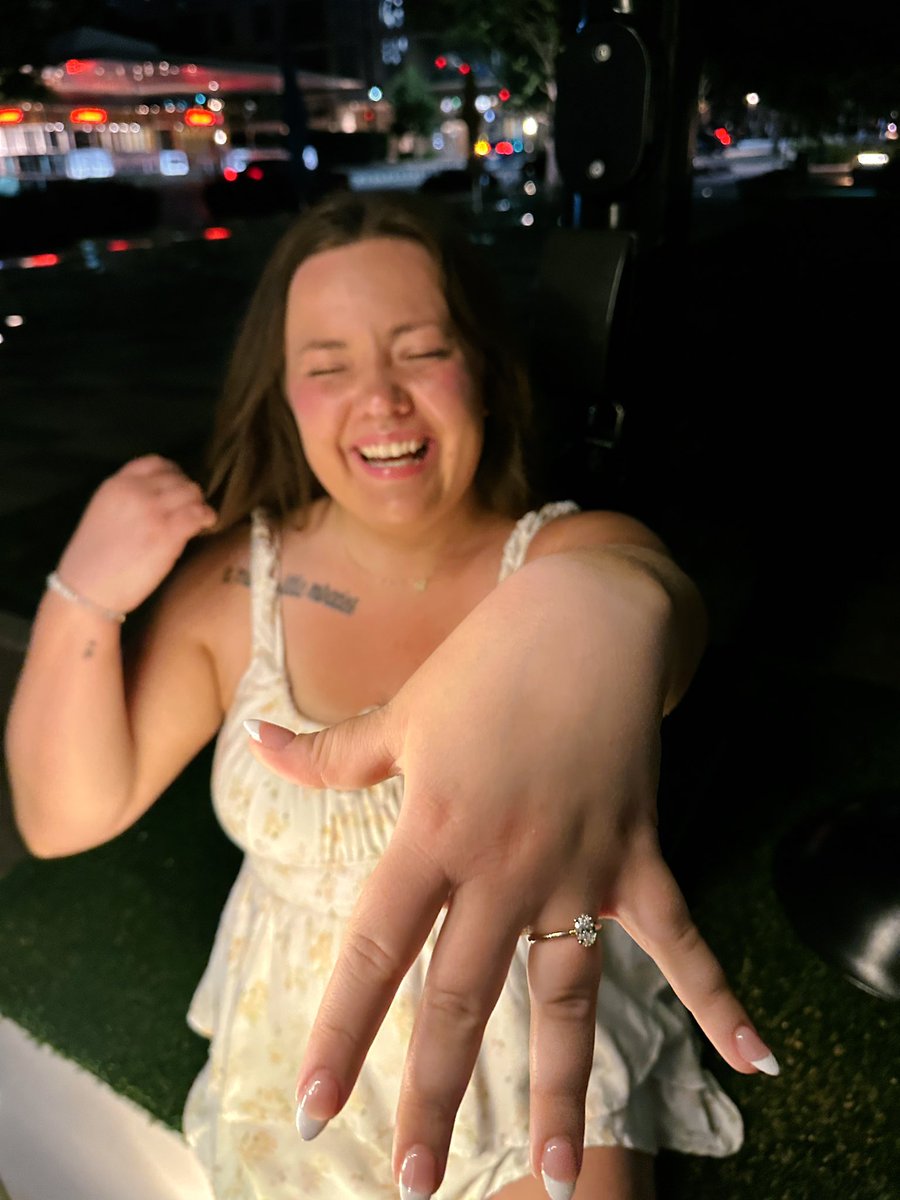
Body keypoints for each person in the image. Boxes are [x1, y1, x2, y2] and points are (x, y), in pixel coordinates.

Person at [5, 190, 779, 1200]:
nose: (380, 400)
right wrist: (81, 592)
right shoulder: (235, 582)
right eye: (329, 366)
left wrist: (606, 613)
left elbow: (638, 592)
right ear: (285, 396)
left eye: (420, 352)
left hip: (531, 1022)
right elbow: (64, 815)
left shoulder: (560, 552)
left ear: (485, 372)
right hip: (286, 1044)